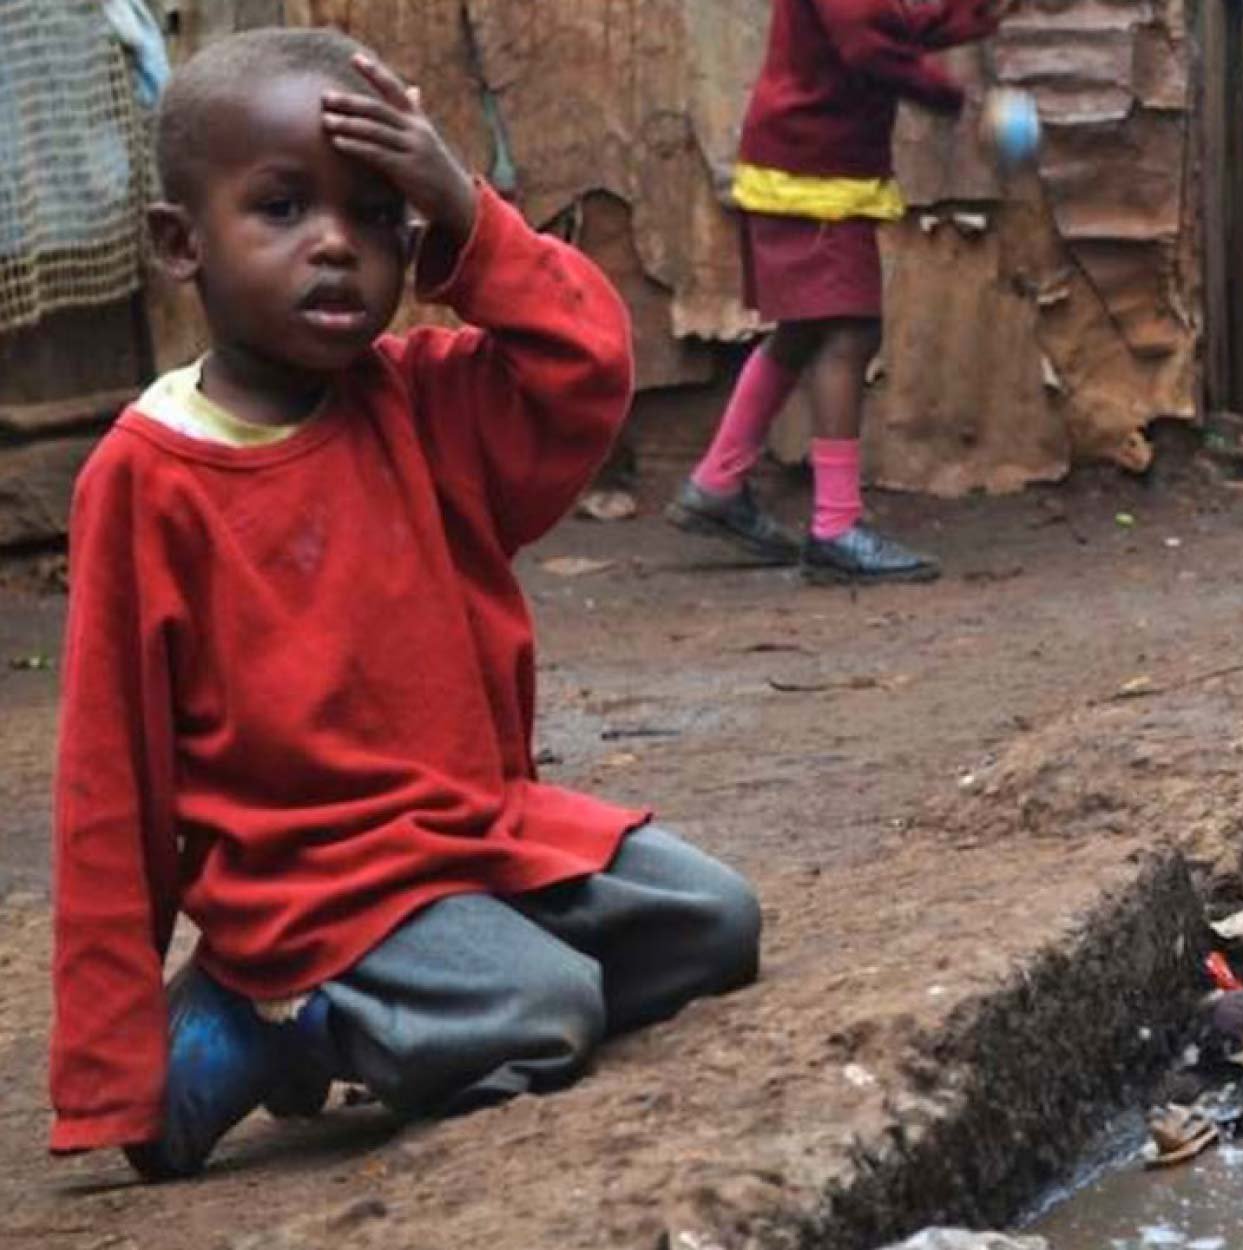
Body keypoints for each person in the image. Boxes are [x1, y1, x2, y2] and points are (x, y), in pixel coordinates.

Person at [50, 28, 761, 1181]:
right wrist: (109, 1060)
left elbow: (585, 365)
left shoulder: (422, 402)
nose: (337, 246)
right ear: (183, 245)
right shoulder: (146, 478)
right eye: (281, 209)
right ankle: (263, 1018)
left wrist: (467, 213)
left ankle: (416, 988)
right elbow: (107, 779)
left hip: (479, 832)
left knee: (717, 923)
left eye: (379, 216)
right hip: (314, 885)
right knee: (545, 1011)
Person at [665, 0, 1012, 585]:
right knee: (848, 333)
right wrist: (958, 101)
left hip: (808, 159)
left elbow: (888, 22)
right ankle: (835, 527)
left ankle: (718, 483)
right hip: (812, 170)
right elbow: (869, 46)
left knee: (806, 328)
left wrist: (974, 14)